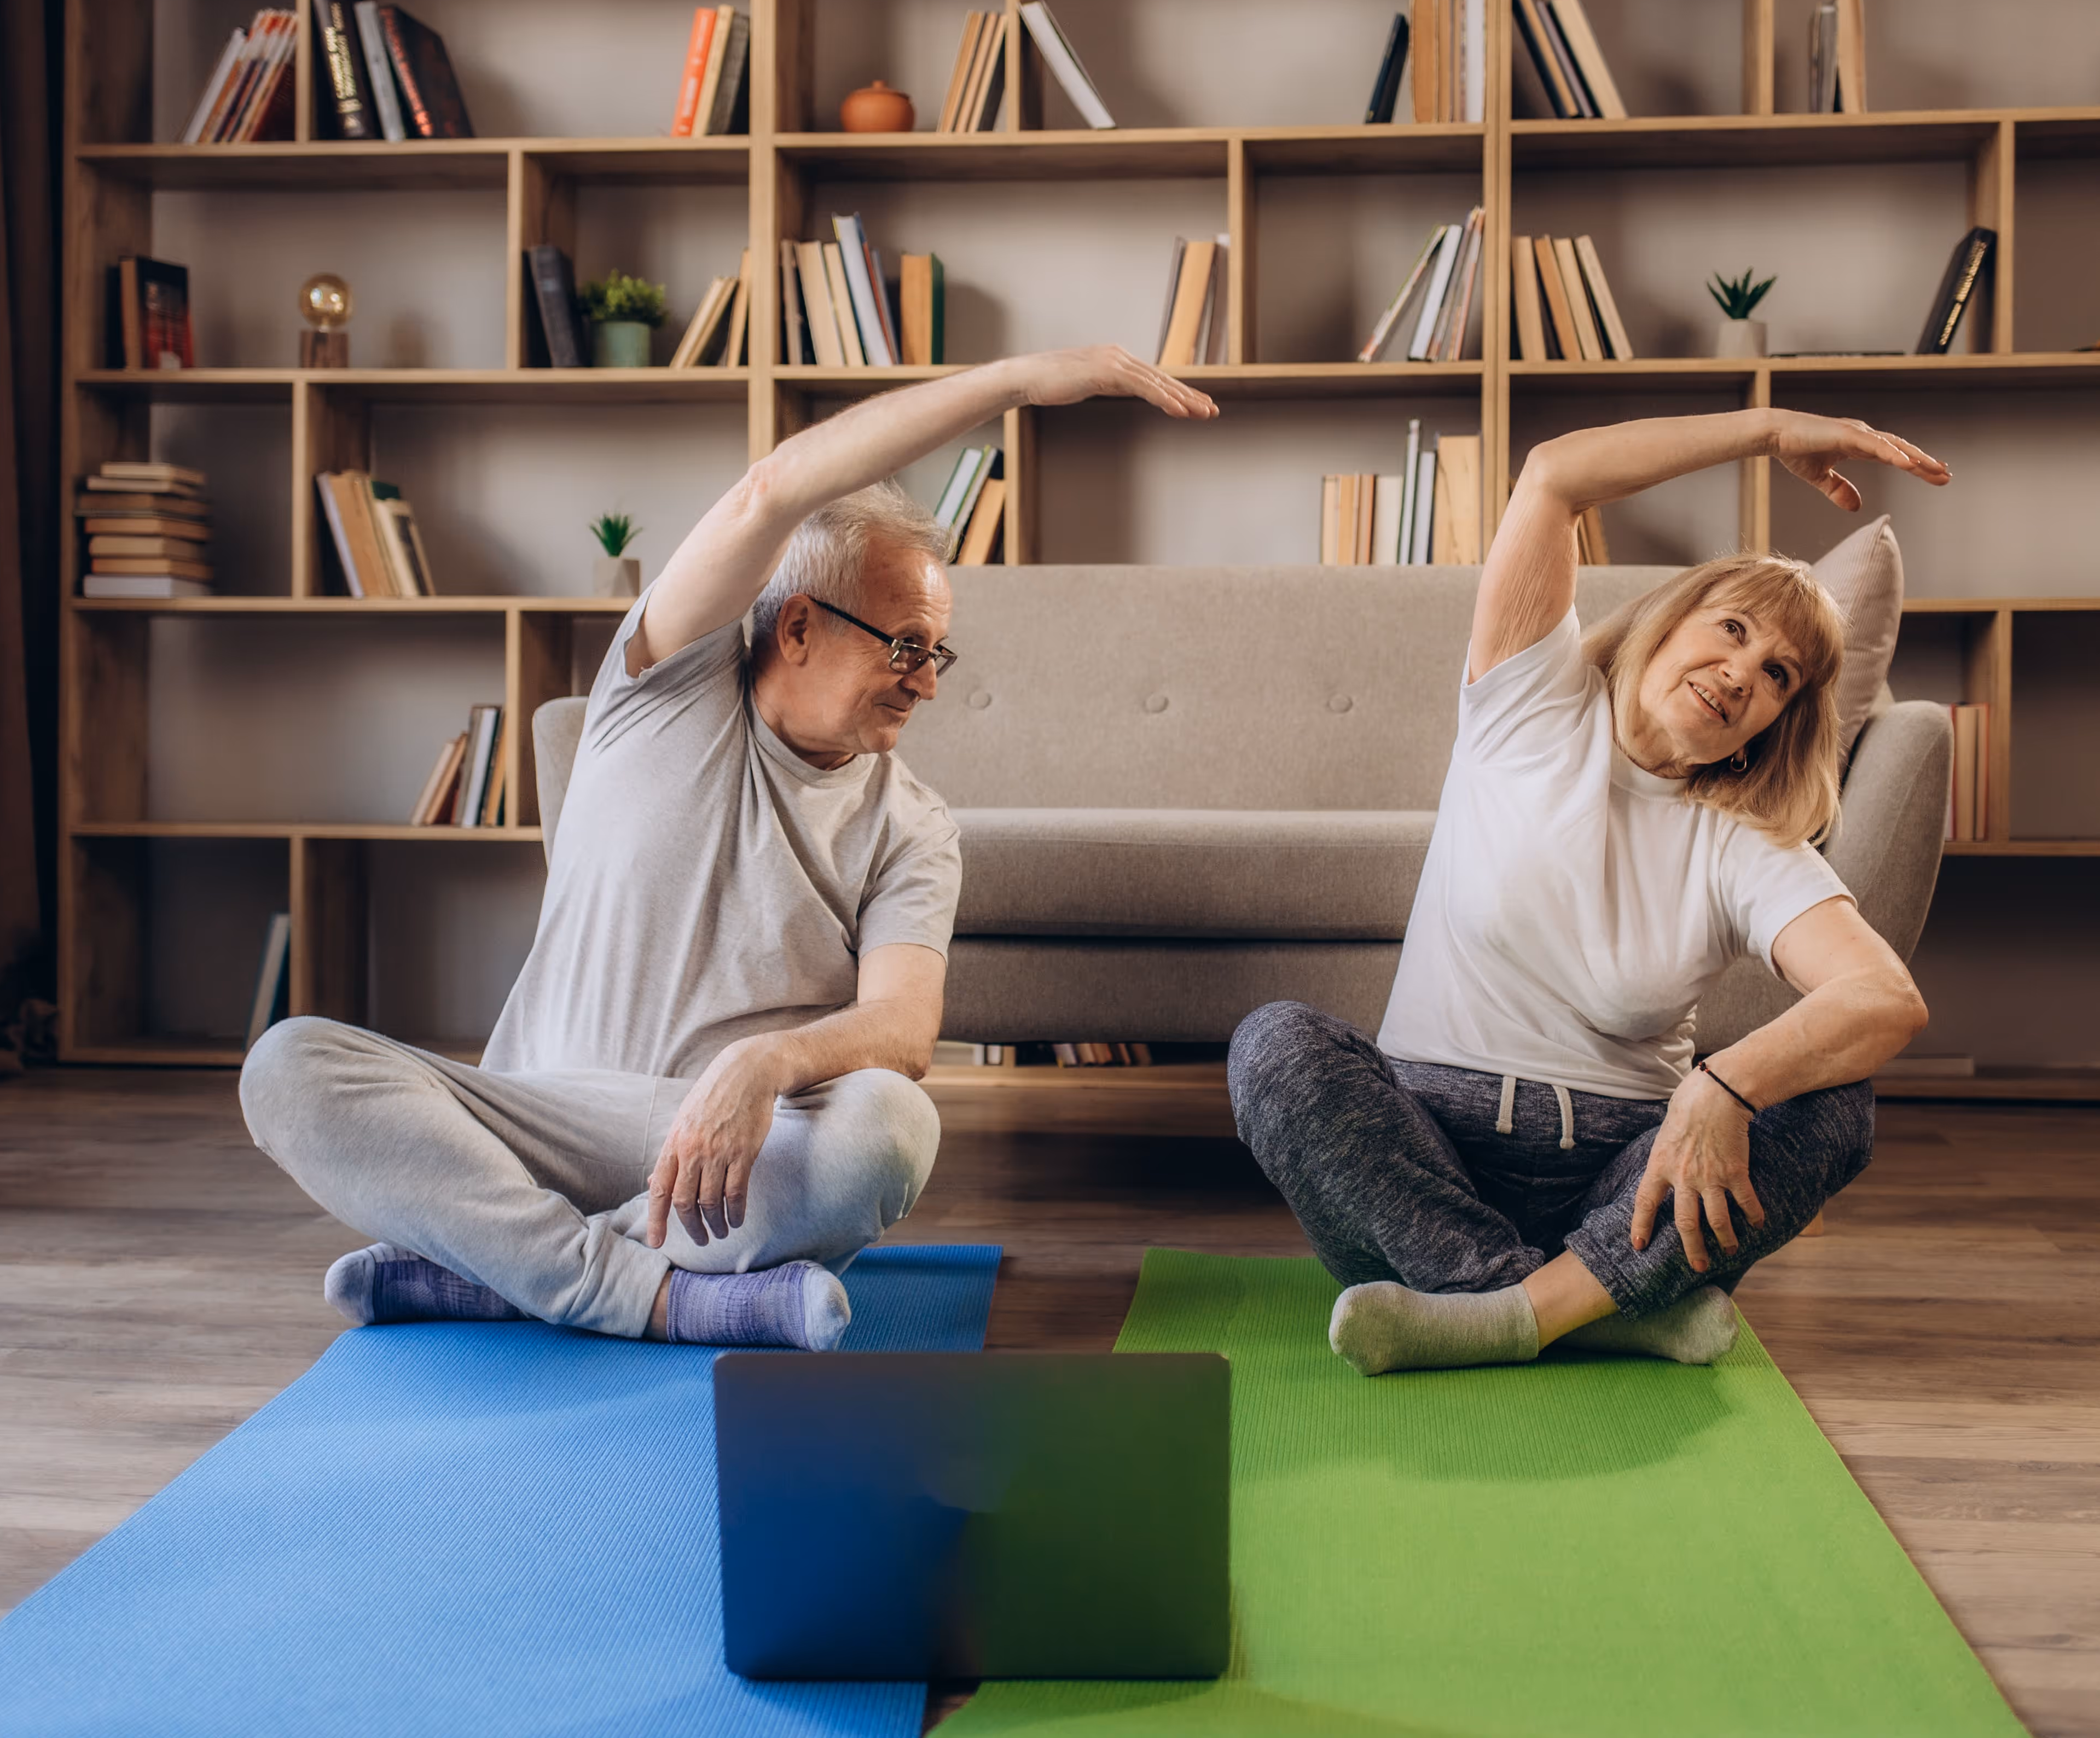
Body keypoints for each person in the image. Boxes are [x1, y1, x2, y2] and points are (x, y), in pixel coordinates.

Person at [240, 346, 1216, 1352]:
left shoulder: (913, 824)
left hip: (730, 1148)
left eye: (938, 654)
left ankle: (500, 1271)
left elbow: (904, 1024)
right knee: (287, 1064)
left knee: (892, 1128)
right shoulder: (666, 690)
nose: (927, 682)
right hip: (540, 1116)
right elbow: (774, 489)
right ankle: (647, 1297)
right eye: (906, 646)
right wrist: (1014, 385)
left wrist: (768, 1062)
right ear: (797, 626)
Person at [1229, 408, 1951, 1374]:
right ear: (1668, 622)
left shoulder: (1743, 843)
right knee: (1273, 1043)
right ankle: (1595, 1305)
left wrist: (1724, 1086)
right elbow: (1555, 477)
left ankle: (1487, 1315)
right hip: (1418, 1163)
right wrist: (1768, 430)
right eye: (1730, 630)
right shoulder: (1529, 704)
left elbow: (1883, 1000)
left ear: (1770, 723)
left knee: (1834, 1107)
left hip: (1632, 1184)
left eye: (1776, 673)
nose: (1740, 672)